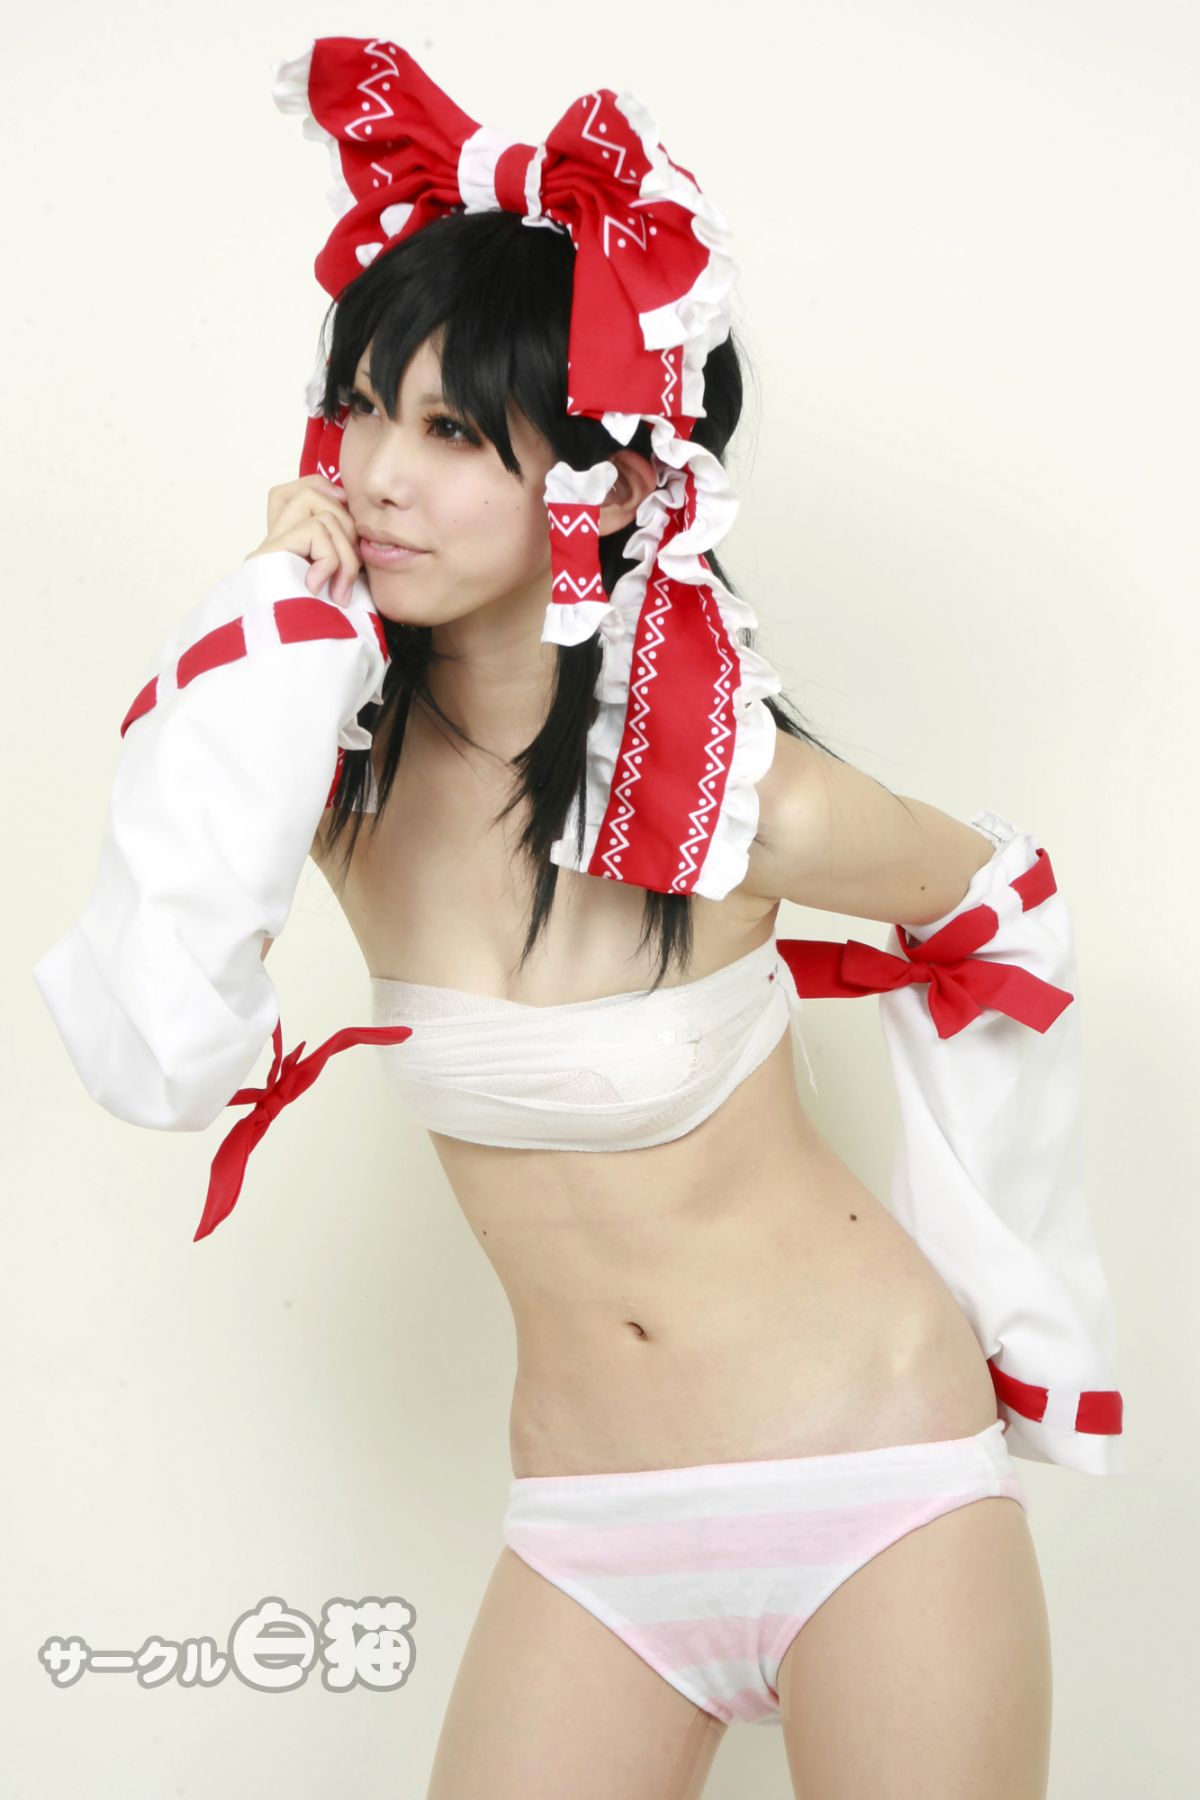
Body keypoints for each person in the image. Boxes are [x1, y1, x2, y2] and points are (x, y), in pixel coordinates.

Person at [33, 39, 1123, 1800]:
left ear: (600, 485)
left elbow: (998, 907)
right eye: (364, 411)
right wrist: (277, 621)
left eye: (455, 432)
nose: (380, 475)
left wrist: (1010, 1283)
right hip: (589, 1520)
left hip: (874, 1478)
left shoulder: (725, 798)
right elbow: (156, 1041)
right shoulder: (333, 777)